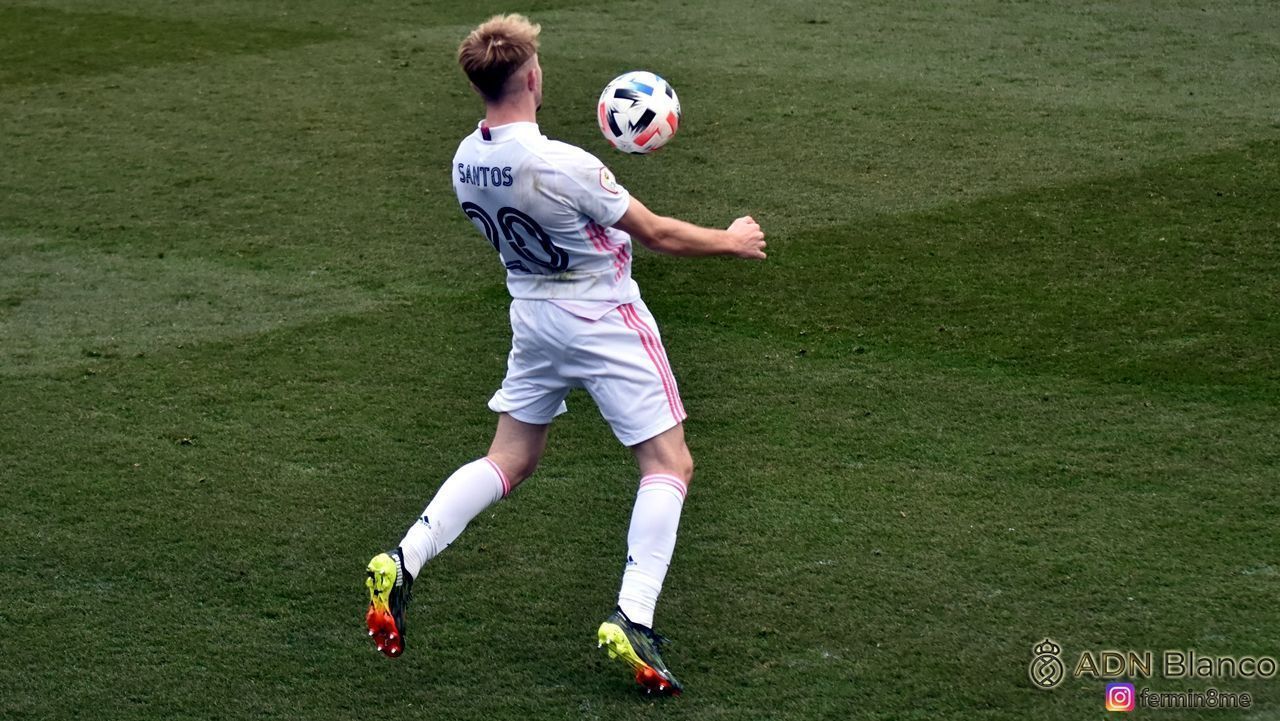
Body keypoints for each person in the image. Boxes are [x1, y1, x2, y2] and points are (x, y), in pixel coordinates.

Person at [364, 13, 766, 696]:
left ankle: (404, 557)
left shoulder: (465, 160)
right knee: (668, 464)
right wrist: (732, 240)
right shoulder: (563, 163)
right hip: (603, 317)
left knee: (508, 458)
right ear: (531, 77)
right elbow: (657, 233)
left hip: (532, 317)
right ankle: (633, 615)